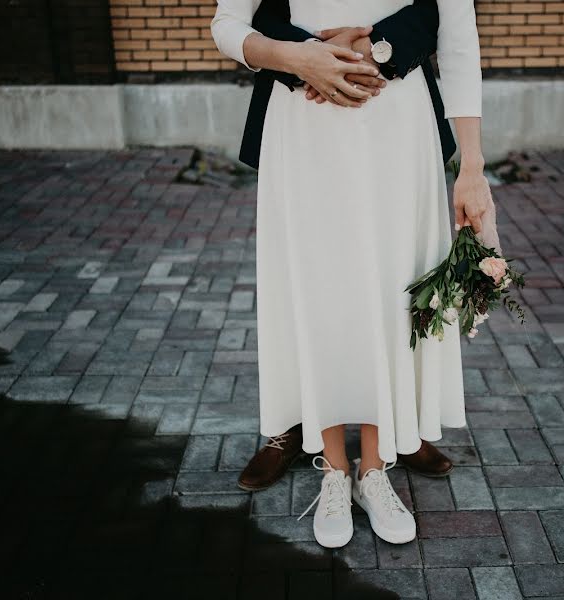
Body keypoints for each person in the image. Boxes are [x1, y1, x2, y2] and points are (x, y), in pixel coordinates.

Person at [211, 0, 490, 548]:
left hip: (399, 125)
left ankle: (375, 469)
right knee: (321, 291)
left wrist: (473, 167)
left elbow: (457, 37)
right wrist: (295, 57)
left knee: (395, 291)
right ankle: (335, 467)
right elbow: (227, 24)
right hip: (303, 121)